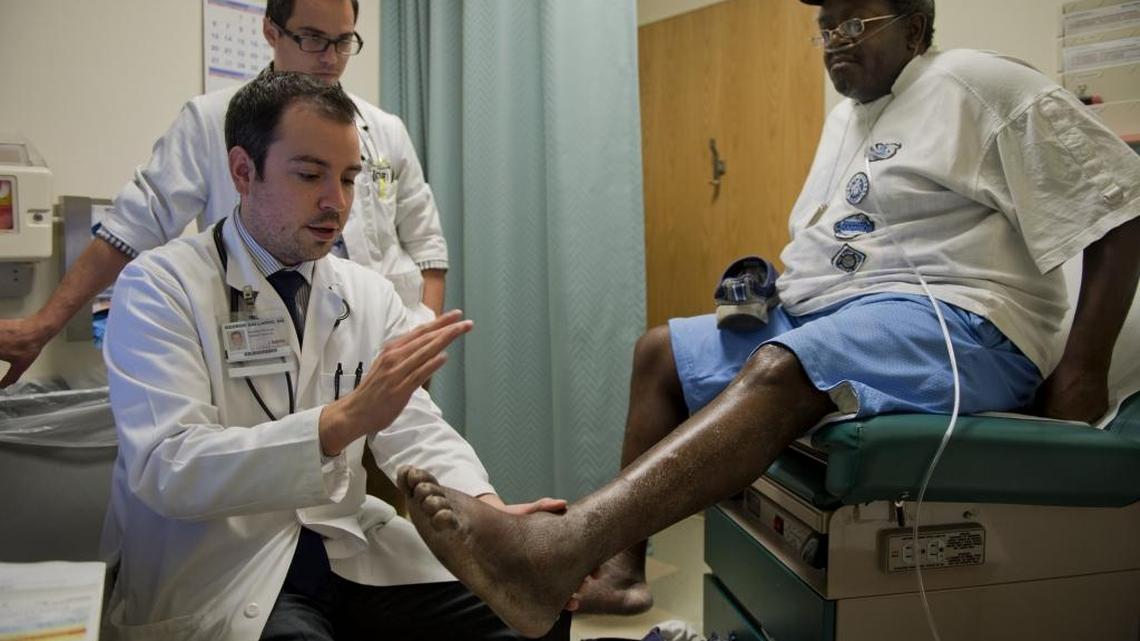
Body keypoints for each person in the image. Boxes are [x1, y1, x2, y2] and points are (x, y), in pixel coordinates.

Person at [392, 0, 1140, 636]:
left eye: (859, 23)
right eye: (827, 26)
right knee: (659, 351)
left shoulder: (981, 85)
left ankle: (555, 551)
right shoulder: (852, 117)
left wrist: (1080, 375)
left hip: (963, 324)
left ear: (916, 26)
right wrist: (767, 290)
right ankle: (620, 571)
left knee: (784, 367)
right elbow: (847, 243)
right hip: (844, 314)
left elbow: (1120, 207)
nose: (837, 43)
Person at [100, 71, 570, 641]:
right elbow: (167, 466)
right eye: (309, 175)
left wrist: (488, 519)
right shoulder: (160, 288)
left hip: (343, 546)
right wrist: (339, 423)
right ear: (243, 172)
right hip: (222, 565)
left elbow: (417, 431)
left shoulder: (365, 292)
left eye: (349, 178)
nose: (336, 202)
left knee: (531, 615)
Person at [0, 0, 446, 387]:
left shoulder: (384, 131)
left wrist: (419, 344)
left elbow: (426, 249)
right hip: (268, 351)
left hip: (385, 354)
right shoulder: (211, 121)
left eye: (343, 41)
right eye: (312, 38)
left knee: (402, 478)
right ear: (271, 30)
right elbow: (130, 229)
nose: (330, 58)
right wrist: (43, 325)